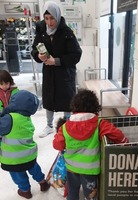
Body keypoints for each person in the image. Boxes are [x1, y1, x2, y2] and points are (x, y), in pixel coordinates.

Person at [53, 89, 129, 200]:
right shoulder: (100, 124)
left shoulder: (65, 127)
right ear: (95, 106)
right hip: (90, 167)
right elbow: (116, 135)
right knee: (90, 186)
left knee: (72, 185)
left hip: (72, 166)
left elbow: (57, 145)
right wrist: (125, 142)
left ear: (74, 107)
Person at [31, 1, 82, 138]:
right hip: (49, 73)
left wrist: (57, 61)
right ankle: (49, 125)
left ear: (58, 16)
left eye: (52, 18)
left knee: (67, 99)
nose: (49, 22)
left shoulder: (66, 32)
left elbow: (76, 55)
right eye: (46, 18)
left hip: (65, 73)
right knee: (49, 98)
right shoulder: (42, 31)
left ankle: (66, 126)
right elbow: (34, 50)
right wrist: (38, 56)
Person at [0, 90, 50, 199]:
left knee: (18, 175)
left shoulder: (9, 119)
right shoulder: (26, 118)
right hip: (29, 155)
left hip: (13, 159)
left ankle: (25, 190)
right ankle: (43, 182)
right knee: (35, 169)